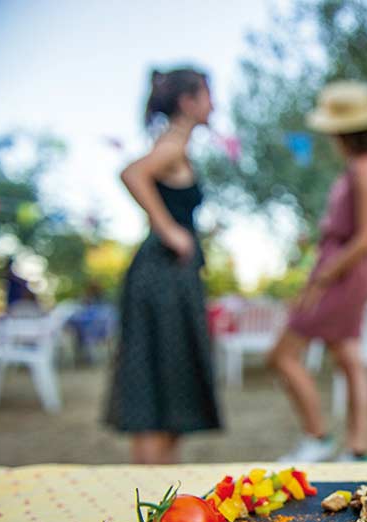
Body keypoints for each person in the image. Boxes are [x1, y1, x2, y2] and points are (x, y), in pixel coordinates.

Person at [268, 81, 367, 463]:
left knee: (283, 354)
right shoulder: (360, 167)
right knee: (348, 355)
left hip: (343, 272)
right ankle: (357, 448)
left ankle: (318, 435)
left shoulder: (366, 167)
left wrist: (324, 276)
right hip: (339, 267)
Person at [105, 67, 221, 464]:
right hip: (160, 279)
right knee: (156, 392)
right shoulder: (171, 143)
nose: (213, 104)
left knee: (173, 389)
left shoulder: (179, 146)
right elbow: (132, 172)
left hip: (175, 279)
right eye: (208, 95)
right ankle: (148, 504)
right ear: (188, 102)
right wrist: (168, 228)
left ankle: (165, 503)